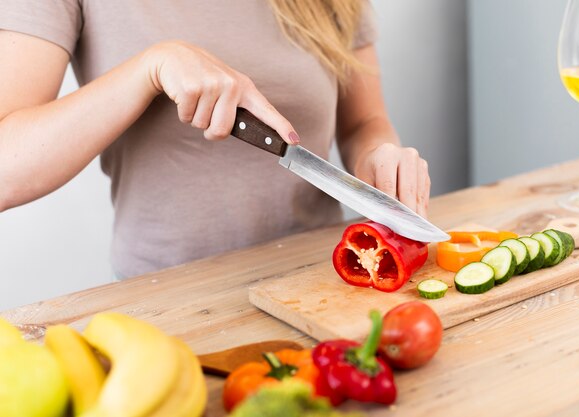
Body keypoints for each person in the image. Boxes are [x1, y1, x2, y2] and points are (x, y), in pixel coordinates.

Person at [0, 0, 431, 279]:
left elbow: (365, 121)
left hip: (321, 282)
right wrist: (149, 69)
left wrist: (379, 153)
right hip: (170, 304)